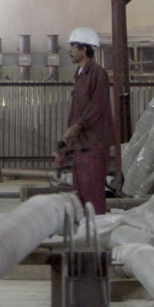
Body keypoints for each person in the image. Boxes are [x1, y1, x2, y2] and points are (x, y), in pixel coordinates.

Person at [59, 26, 116, 215]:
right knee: (80, 193)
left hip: (94, 144)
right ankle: (85, 228)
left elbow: (97, 105)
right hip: (81, 145)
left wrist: (77, 126)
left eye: (73, 47)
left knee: (92, 193)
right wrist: (67, 145)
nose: (70, 51)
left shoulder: (97, 73)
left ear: (84, 50)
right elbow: (77, 110)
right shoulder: (80, 73)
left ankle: (97, 226)